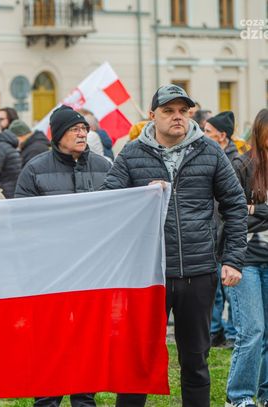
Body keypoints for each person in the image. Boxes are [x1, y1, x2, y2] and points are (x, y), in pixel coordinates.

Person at [102, 85, 247, 407]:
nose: (177, 117)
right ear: (152, 116)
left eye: (183, 110)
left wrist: (232, 259)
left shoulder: (209, 151)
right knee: (138, 358)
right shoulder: (132, 153)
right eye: (168, 111)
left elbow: (235, 205)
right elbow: (109, 204)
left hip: (198, 272)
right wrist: (142, 195)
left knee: (195, 359)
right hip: (147, 275)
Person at [15, 105, 112, 407]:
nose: (82, 134)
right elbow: (20, 221)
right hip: (50, 274)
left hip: (93, 272)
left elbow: (118, 211)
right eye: (74, 129)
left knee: (88, 340)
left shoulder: (105, 167)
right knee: (49, 341)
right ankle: (47, 401)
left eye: (84, 129)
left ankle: (84, 400)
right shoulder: (35, 170)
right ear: (57, 135)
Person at [225, 108, 268, 407]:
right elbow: (230, 212)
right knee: (252, 331)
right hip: (245, 259)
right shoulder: (242, 165)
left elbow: (249, 211)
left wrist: (257, 210)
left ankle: (265, 392)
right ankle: (239, 397)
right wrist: (252, 211)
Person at [204, 111, 240, 348]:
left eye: (208, 131)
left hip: (225, 234)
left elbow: (233, 204)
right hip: (212, 232)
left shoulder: (235, 162)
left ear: (222, 136)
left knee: (229, 290)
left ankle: (231, 333)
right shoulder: (208, 156)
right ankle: (215, 330)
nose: (204, 134)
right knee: (214, 290)